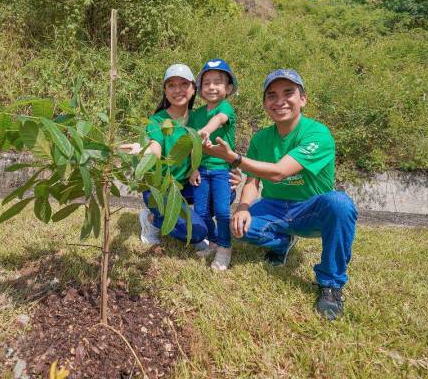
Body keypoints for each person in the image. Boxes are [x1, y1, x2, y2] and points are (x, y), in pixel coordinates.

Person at [203, 68, 358, 320]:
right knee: (238, 227)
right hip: (274, 206)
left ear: (303, 99)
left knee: (340, 204)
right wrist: (242, 207)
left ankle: (330, 284)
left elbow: (277, 173)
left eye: (288, 93)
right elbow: (253, 181)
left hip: (310, 208)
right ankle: (282, 243)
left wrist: (234, 158)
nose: (280, 101)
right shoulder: (262, 138)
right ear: (265, 103)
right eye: (272, 95)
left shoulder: (317, 134)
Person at [121, 64, 211, 249]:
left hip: (184, 185)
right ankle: (152, 219)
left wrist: (231, 170)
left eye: (183, 84)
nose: (177, 90)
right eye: (171, 85)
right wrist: (142, 149)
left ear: (194, 88)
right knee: (198, 233)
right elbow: (156, 149)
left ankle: (192, 218)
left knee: (226, 189)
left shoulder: (199, 119)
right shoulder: (157, 121)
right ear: (165, 90)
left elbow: (209, 149)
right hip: (160, 189)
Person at [188, 59, 238, 271]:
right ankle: (214, 241)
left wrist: (206, 130)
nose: (211, 87)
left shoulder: (225, 108)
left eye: (218, 82)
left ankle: (225, 249)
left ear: (228, 89)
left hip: (221, 171)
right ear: (200, 89)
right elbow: (192, 144)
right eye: (206, 83)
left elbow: (218, 119)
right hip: (201, 170)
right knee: (201, 211)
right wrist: (192, 168)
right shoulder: (196, 114)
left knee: (222, 211)